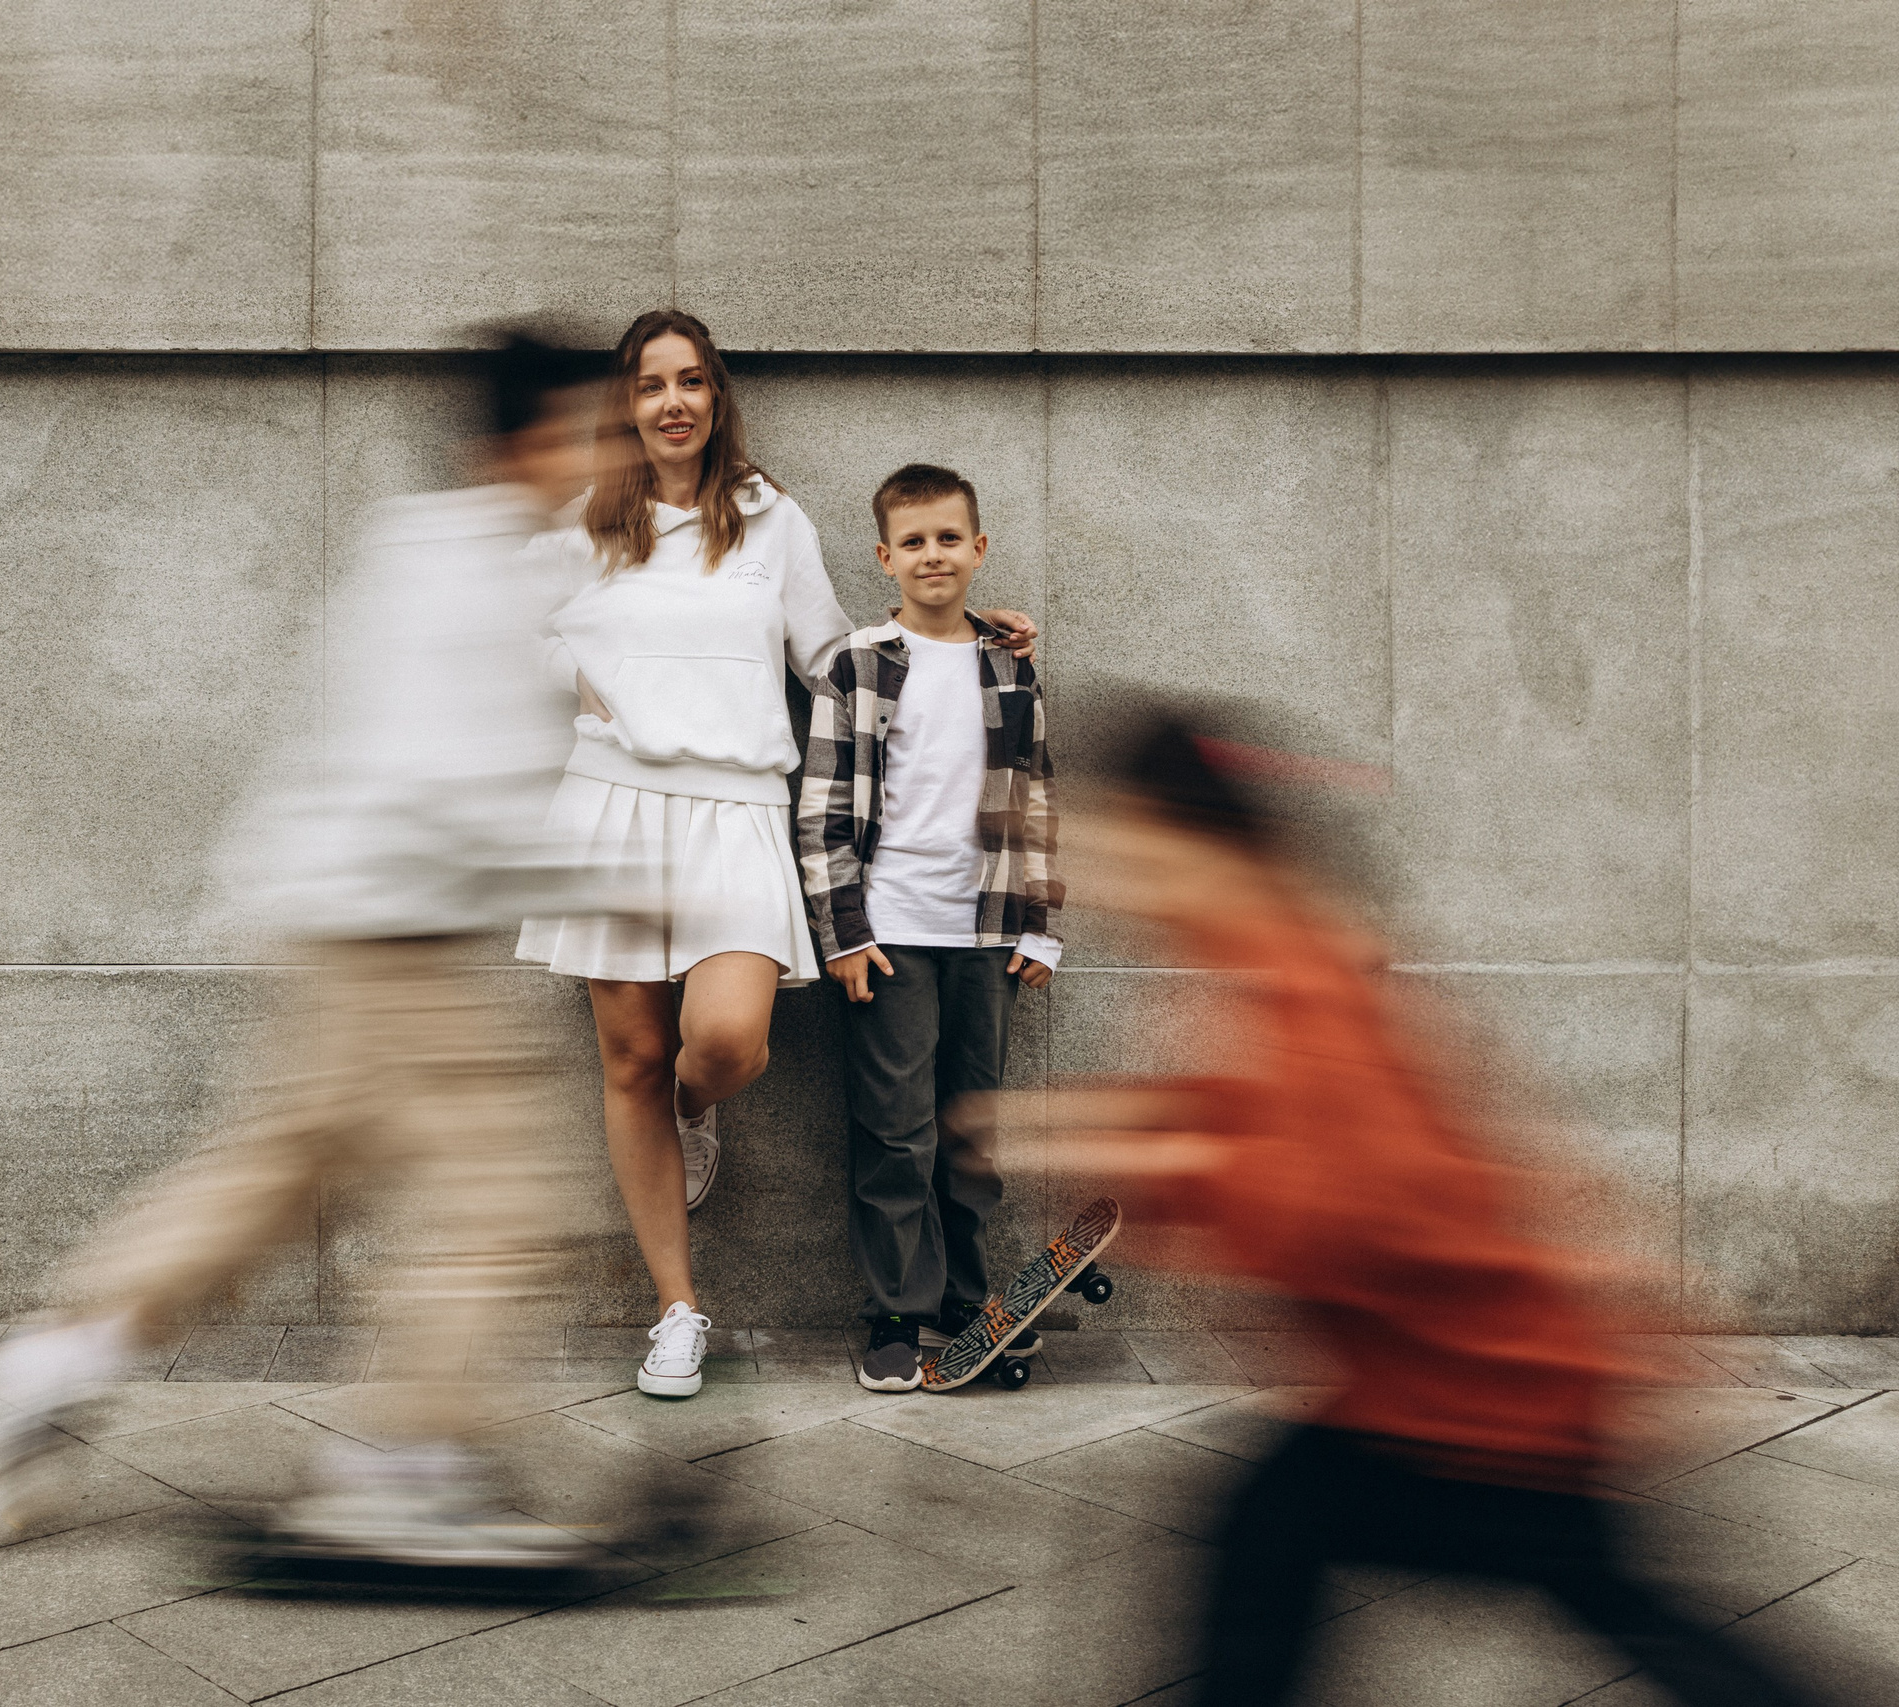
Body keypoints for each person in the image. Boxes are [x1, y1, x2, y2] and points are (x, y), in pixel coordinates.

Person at [995, 712, 1825, 1707]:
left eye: (1133, 847)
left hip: (1485, 1397)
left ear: (1195, 843)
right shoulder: (1281, 949)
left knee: (1278, 1535)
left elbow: (1343, 1200)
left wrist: (1167, 1157)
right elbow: (1278, 1126)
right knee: (1319, 1542)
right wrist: (1143, 1126)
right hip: (1478, 1381)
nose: (1122, 878)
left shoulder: (1292, 970)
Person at [0, 334, 609, 1567]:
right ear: (521, 441)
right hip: (397, 937)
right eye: (585, 429)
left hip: (344, 927)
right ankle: (403, 1462)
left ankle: (48, 1364)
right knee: (506, 1202)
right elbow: (452, 788)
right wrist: (612, 873)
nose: (597, 454)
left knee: (269, 1173)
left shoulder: (442, 553)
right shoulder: (458, 574)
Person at [515, 311, 1037, 1397]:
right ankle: (677, 1309)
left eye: (691, 382)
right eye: (651, 384)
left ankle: (693, 1112)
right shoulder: (581, 526)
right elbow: (514, 633)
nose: (671, 403)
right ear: (626, 404)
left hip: (741, 806)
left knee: (722, 1043)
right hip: (615, 807)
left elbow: (837, 656)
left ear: (716, 398)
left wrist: (955, 622)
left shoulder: (767, 517)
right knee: (627, 1058)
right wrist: (570, 674)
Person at [794, 464, 1063, 1392]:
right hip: (891, 934)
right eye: (913, 541)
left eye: (949, 537)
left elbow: (1035, 801)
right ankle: (897, 1313)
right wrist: (843, 934)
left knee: (970, 1131)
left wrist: (1041, 927)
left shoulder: (1010, 665)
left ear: (978, 548)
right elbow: (822, 809)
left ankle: (967, 1303)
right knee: (896, 1131)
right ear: (884, 558)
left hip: (986, 935)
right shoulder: (860, 664)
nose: (933, 554)